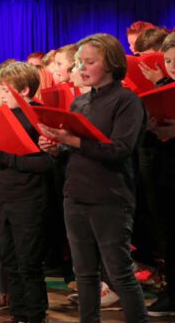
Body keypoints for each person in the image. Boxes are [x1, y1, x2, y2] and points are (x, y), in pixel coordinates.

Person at [39, 34, 148, 323]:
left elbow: (120, 150)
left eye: (89, 62)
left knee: (118, 272)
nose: (82, 68)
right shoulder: (81, 102)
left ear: (111, 63)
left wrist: (71, 141)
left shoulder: (127, 102)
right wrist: (55, 147)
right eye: (80, 62)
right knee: (84, 273)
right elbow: (71, 149)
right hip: (75, 195)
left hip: (110, 198)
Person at [0, 62, 52, 323]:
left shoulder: (40, 115)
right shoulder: (2, 114)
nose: (1, 96)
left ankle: (35, 315)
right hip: (2, 194)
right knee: (9, 261)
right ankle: (19, 313)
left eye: (6, 91)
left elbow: (47, 163)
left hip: (29, 198)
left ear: (24, 90)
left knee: (28, 262)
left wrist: (5, 157)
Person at [148, 32, 175, 317]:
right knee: (168, 235)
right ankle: (171, 293)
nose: (172, 66)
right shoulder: (165, 86)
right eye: (168, 61)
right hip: (166, 169)